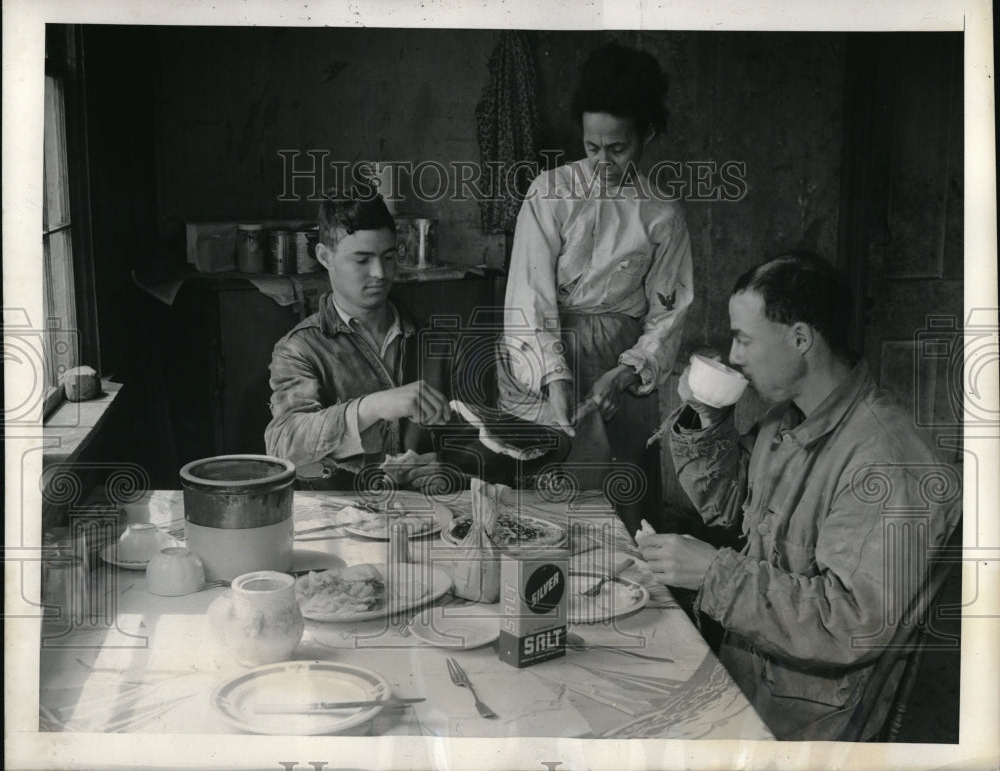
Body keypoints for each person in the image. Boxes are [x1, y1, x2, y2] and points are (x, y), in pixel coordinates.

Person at [638, 252, 962, 740]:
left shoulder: (888, 463)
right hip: (748, 675)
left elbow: (850, 622)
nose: (735, 355)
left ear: (801, 338)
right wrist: (708, 418)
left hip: (805, 722)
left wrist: (712, 573)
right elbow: (730, 508)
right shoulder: (786, 419)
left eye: (744, 338)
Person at [499, 42, 694, 534]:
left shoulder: (662, 213)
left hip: (619, 362)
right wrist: (554, 377)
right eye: (591, 147)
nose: (602, 161)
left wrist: (627, 373)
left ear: (646, 134)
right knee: (541, 507)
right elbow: (529, 298)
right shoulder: (548, 194)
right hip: (539, 354)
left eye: (618, 148)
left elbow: (668, 315)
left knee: (620, 508)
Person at [264, 195, 452, 491]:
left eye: (388, 257)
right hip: (339, 524)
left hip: (427, 518)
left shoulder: (435, 340)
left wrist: (451, 470)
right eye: (362, 260)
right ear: (325, 257)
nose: (380, 273)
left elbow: (480, 440)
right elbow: (284, 442)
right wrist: (372, 406)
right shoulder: (299, 349)